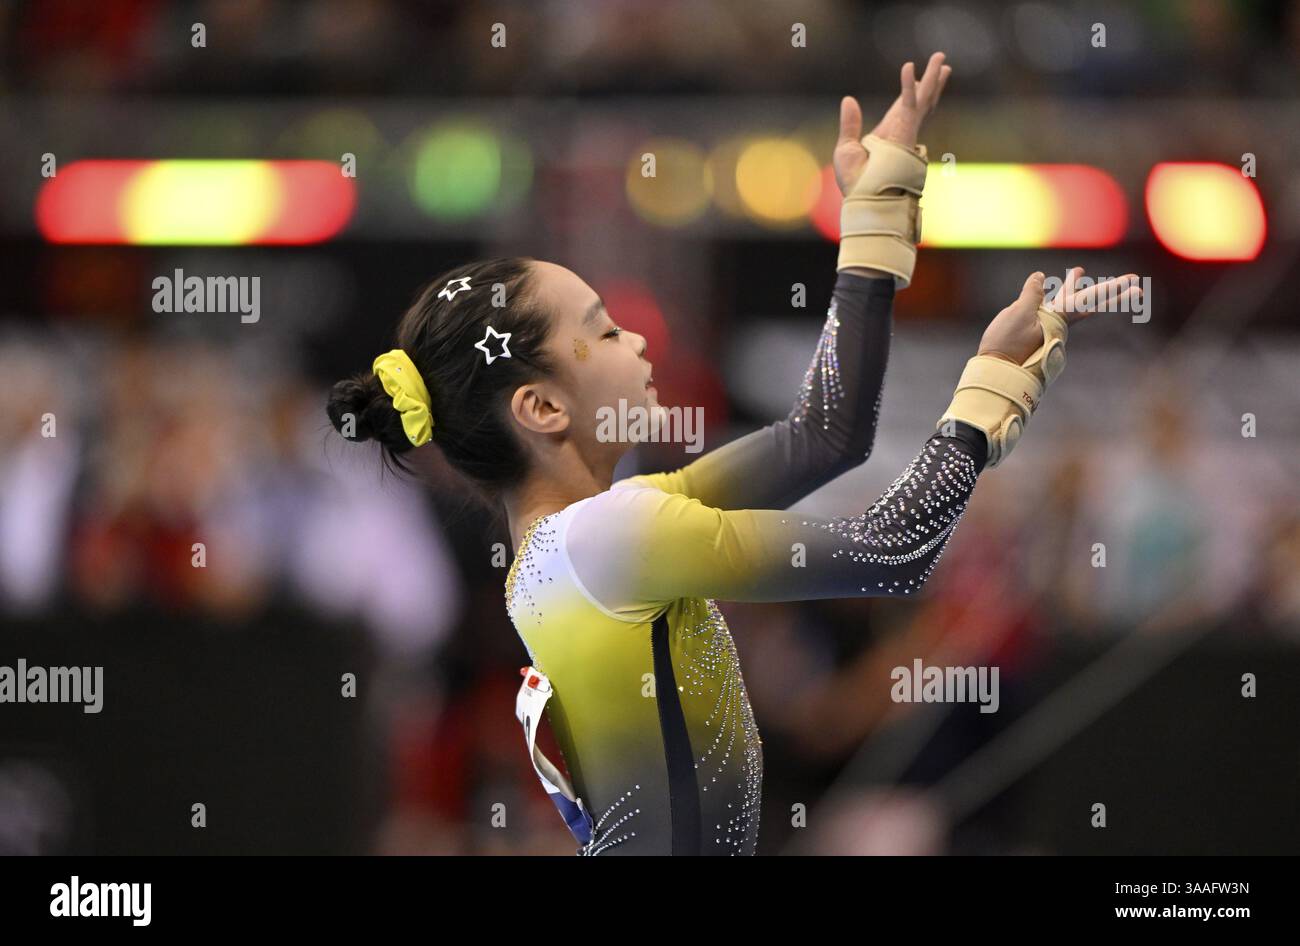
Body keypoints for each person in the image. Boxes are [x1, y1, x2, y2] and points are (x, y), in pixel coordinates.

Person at [327, 52, 1141, 855]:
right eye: (605, 330)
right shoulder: (613, 538)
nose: (639, 338)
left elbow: (824, 434)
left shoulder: (572, 546)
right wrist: (994, 384)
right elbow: (894, 550)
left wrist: (872, 222)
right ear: (540, 409)